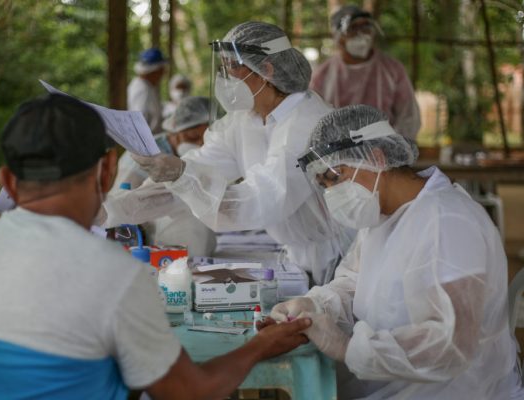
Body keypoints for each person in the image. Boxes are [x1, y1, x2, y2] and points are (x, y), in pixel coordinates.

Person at [0, 93, 312, 399]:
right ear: (108, 171)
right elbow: (191, 392)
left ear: (7, 183)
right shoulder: (115, 273)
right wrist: (263, 344)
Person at [269, 104, 523, 399]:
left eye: (336, 178)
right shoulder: (381, 217)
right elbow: (352, 283)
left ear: (376, 158)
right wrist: (313, 306)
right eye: (325, 186)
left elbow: (451, 344)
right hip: (389, 383)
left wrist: (349, 347)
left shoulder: (448, 221)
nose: (332, 195)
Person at [109, 21, 349, 284]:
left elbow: (258, 201)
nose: (224, 77)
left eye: (231, 67)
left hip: (337, 258)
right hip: (296, 257)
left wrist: (180, 175)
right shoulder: (244, 121)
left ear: (265, 69)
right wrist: (116, 208)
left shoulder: (308, 123)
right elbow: (195, 172)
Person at [109, 96, 216, 257]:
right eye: (193, 137)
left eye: (206, 139)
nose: (200, 144)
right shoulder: (144, 158)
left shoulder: (185, 157)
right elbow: (123, 204)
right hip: (147, 245)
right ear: (175, 131)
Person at [310, 5, 421, 140]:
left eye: (366, 28)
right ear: (338, 37)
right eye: (352, 29)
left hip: (384, 156)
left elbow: (408, 118)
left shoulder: (392, 70)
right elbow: (312, 122)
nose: (361, 35)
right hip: (336, 158)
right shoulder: (323, 75)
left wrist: (390, 148)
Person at [128, 48, 167, 133]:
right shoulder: (142, 89)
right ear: (154, 71)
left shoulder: (148, 87)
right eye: (161, 70)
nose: (163, 74)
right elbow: (140, 122)